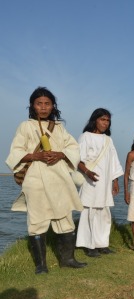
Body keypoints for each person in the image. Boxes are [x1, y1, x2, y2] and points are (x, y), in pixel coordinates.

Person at [6, 87, 87, 274]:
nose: (43, 107)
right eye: (39, 103)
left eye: (47, 104)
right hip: (35, 178)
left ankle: (68, 259)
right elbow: (16, 152)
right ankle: (41, 265)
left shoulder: (59, 127)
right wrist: (36, 156)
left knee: (65, 217)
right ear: (33, 106)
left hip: (59, 178)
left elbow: (73, 148)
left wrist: (60, 154)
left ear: (53, 106)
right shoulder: (25, 126)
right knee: (37, 219)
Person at [75, 108, 124, 257]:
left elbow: (114, 162)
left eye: (108, 120)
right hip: (90, 180)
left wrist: (115, 181)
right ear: (95, 120)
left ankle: (102, 243)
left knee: (103, 213)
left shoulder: (108, 140)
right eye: (102, 119)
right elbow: (77, 160)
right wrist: (88, 172)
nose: (105, 123)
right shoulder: (85, 136)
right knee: (89, 211)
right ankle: (89, 246)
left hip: (105, 182)